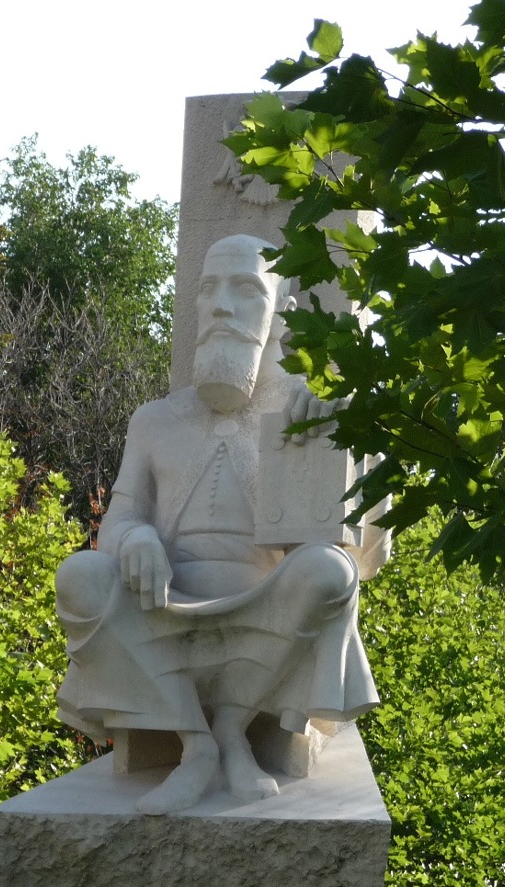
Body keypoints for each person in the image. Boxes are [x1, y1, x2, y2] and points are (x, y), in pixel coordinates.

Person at [54, 234, 387, 815]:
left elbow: (365, 543)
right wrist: (136, 537)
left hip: (267, 611)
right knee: (80, 575)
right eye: (209, 289)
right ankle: (198, 745)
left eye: (246, 290)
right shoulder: (155, 420)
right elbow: (123, 515)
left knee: (330, 571)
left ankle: (233, 732)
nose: (222, 306)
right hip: (162, 608)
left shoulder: (307, 407)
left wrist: (345, 427)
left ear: (281, 311)